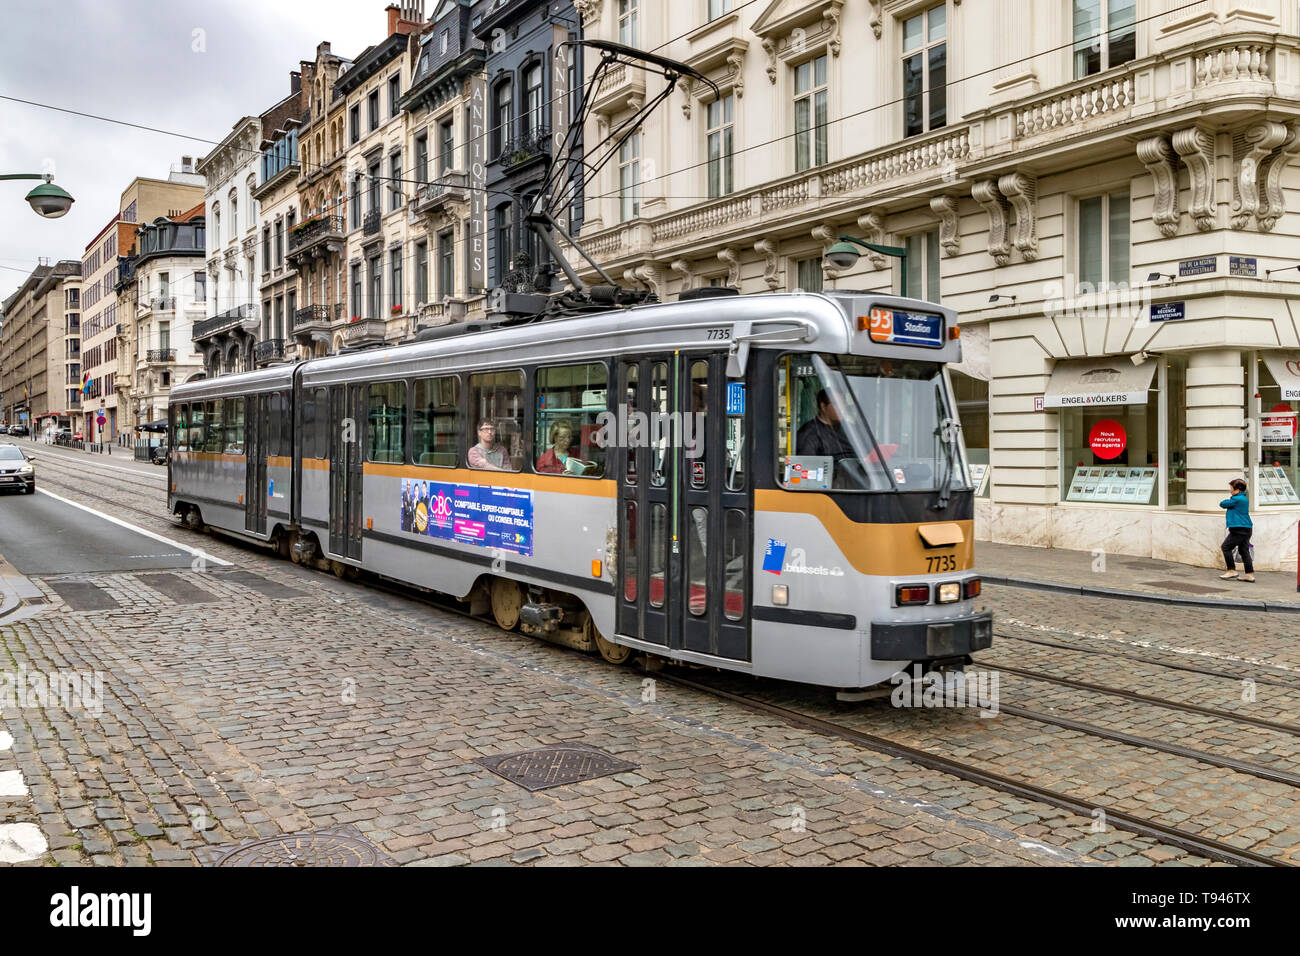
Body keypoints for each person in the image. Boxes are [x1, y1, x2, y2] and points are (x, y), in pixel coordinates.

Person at [796, 389, 855, 460]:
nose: (842, 409)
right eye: (837, 404)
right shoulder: (808, 433)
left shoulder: (851, 429)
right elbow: (806, 465)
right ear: (823, 406)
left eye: (843, 404)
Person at [1219, 477, 1254, 582]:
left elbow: (1222, 504)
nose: (1230, 490)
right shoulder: (1243, 498)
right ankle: (1249, 574)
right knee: (1244, 551)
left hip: (1239, 529)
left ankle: (1231, 570)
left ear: (1237, 489)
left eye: (1231, 488)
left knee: (1225, 547)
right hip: (1246, 528)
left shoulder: (1236, 499)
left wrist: (1229, 500)